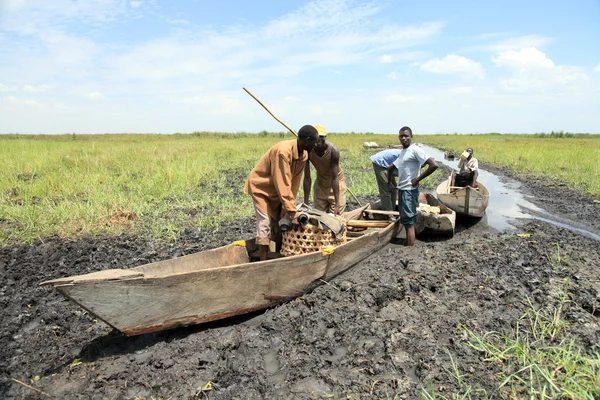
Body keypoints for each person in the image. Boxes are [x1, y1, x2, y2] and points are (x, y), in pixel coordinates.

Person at [244, 125, 319, 260]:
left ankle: (280, 256)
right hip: (262, 189)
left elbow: (294, 184)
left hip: (279, 191)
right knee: (265, 223)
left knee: (281, 221)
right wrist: (293, 211)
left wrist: (289, 209)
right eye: (315, 142)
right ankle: (263, 262)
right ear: (307, 141)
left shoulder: (304, 155)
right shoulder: (283, 152)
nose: (316, 145)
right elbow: (282, 181)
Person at [387, 126, 438, 246]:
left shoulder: (415, 149)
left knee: (408, 221)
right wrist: (389, 182)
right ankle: (409, 241)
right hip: (403, 190)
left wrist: (417, 179)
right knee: (406, 219)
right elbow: (391, 167)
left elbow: (433, 165)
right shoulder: (403, 152)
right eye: (401, 136)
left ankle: (410, 246)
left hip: (409, 190)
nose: (403, 138)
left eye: (406, 136)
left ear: (411, 137)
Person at [303, 124, 347, 215]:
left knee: (336, 220)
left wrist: (337, 205)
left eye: (321, 136)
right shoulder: (308, 151)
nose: (318, 139)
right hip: (320, 184)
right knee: (319, 217)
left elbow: (335, 178)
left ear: (325, 137)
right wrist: (305, 203)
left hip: (336, 184)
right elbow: (307, 178)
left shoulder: (333, 151)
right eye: (316, 137)